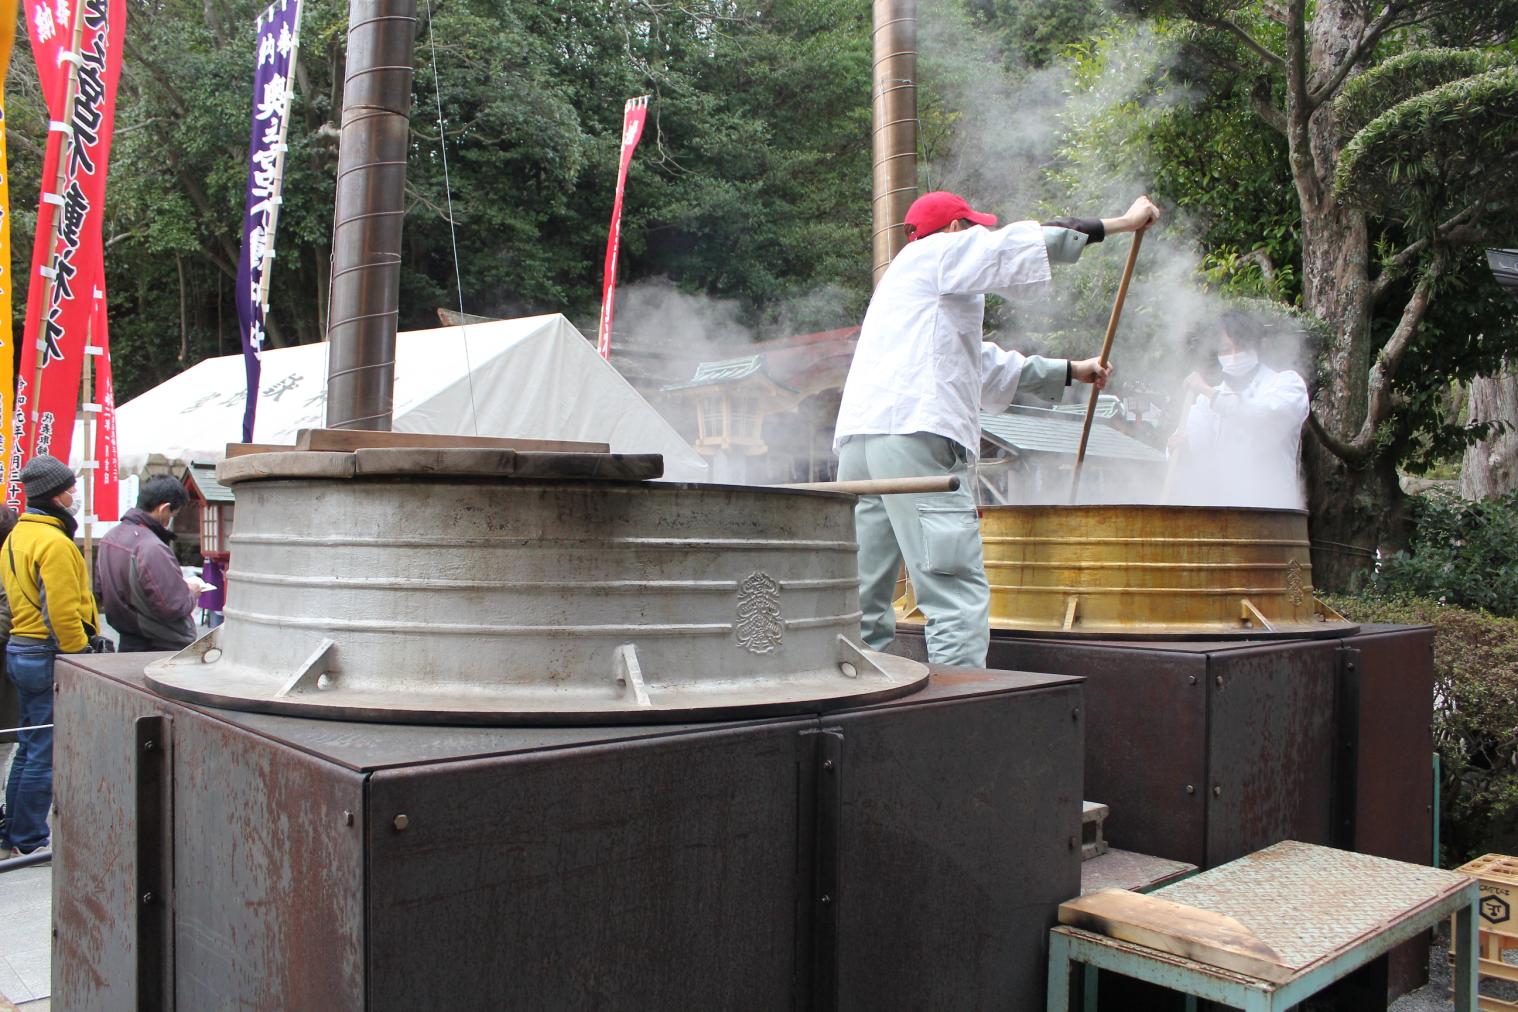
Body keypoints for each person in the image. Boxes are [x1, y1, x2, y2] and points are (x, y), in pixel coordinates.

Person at [835, 190, 1161, 667]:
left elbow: (980, 367)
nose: (982, 235)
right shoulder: (939, 252)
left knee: (864, 598)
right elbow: (1018, 245)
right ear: (952, 230)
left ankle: (859, 702)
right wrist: (1122, 223)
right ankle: (962, 724)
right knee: (954, 597)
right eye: (974, 228)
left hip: (861, 449)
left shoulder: (902, 292)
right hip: (917, 441)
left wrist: (1071, 370)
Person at [1, 455, 99, 858]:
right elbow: (60, 611)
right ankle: (28, 837)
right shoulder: (54, 542)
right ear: (55, 495)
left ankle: (14, 828)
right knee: (44, 747)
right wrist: (79, 653)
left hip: (21, 648)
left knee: (28, 743)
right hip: (45, 650)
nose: (75, 493)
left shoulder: (17, 536)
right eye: (70, 487)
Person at [1166, 311, 1310, 509]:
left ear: (1257, 346)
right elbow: (1196, 447)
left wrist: (1210, 394)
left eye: (1241, 346)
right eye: (1225, 349)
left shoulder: (1286, 384)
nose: (1233, 355)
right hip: (1220, 511)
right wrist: (1182, 450)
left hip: (1272, 512)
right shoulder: (1206, 401)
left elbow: (1260, 416)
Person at [97, 476, 199, 652]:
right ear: (164, 509)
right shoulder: (151, 547)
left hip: (127, 637)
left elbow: (100, 590)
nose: (171, 519)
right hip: (158, 645)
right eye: (173, 514)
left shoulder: (110, 538)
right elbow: (173, 605)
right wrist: (192, 593)